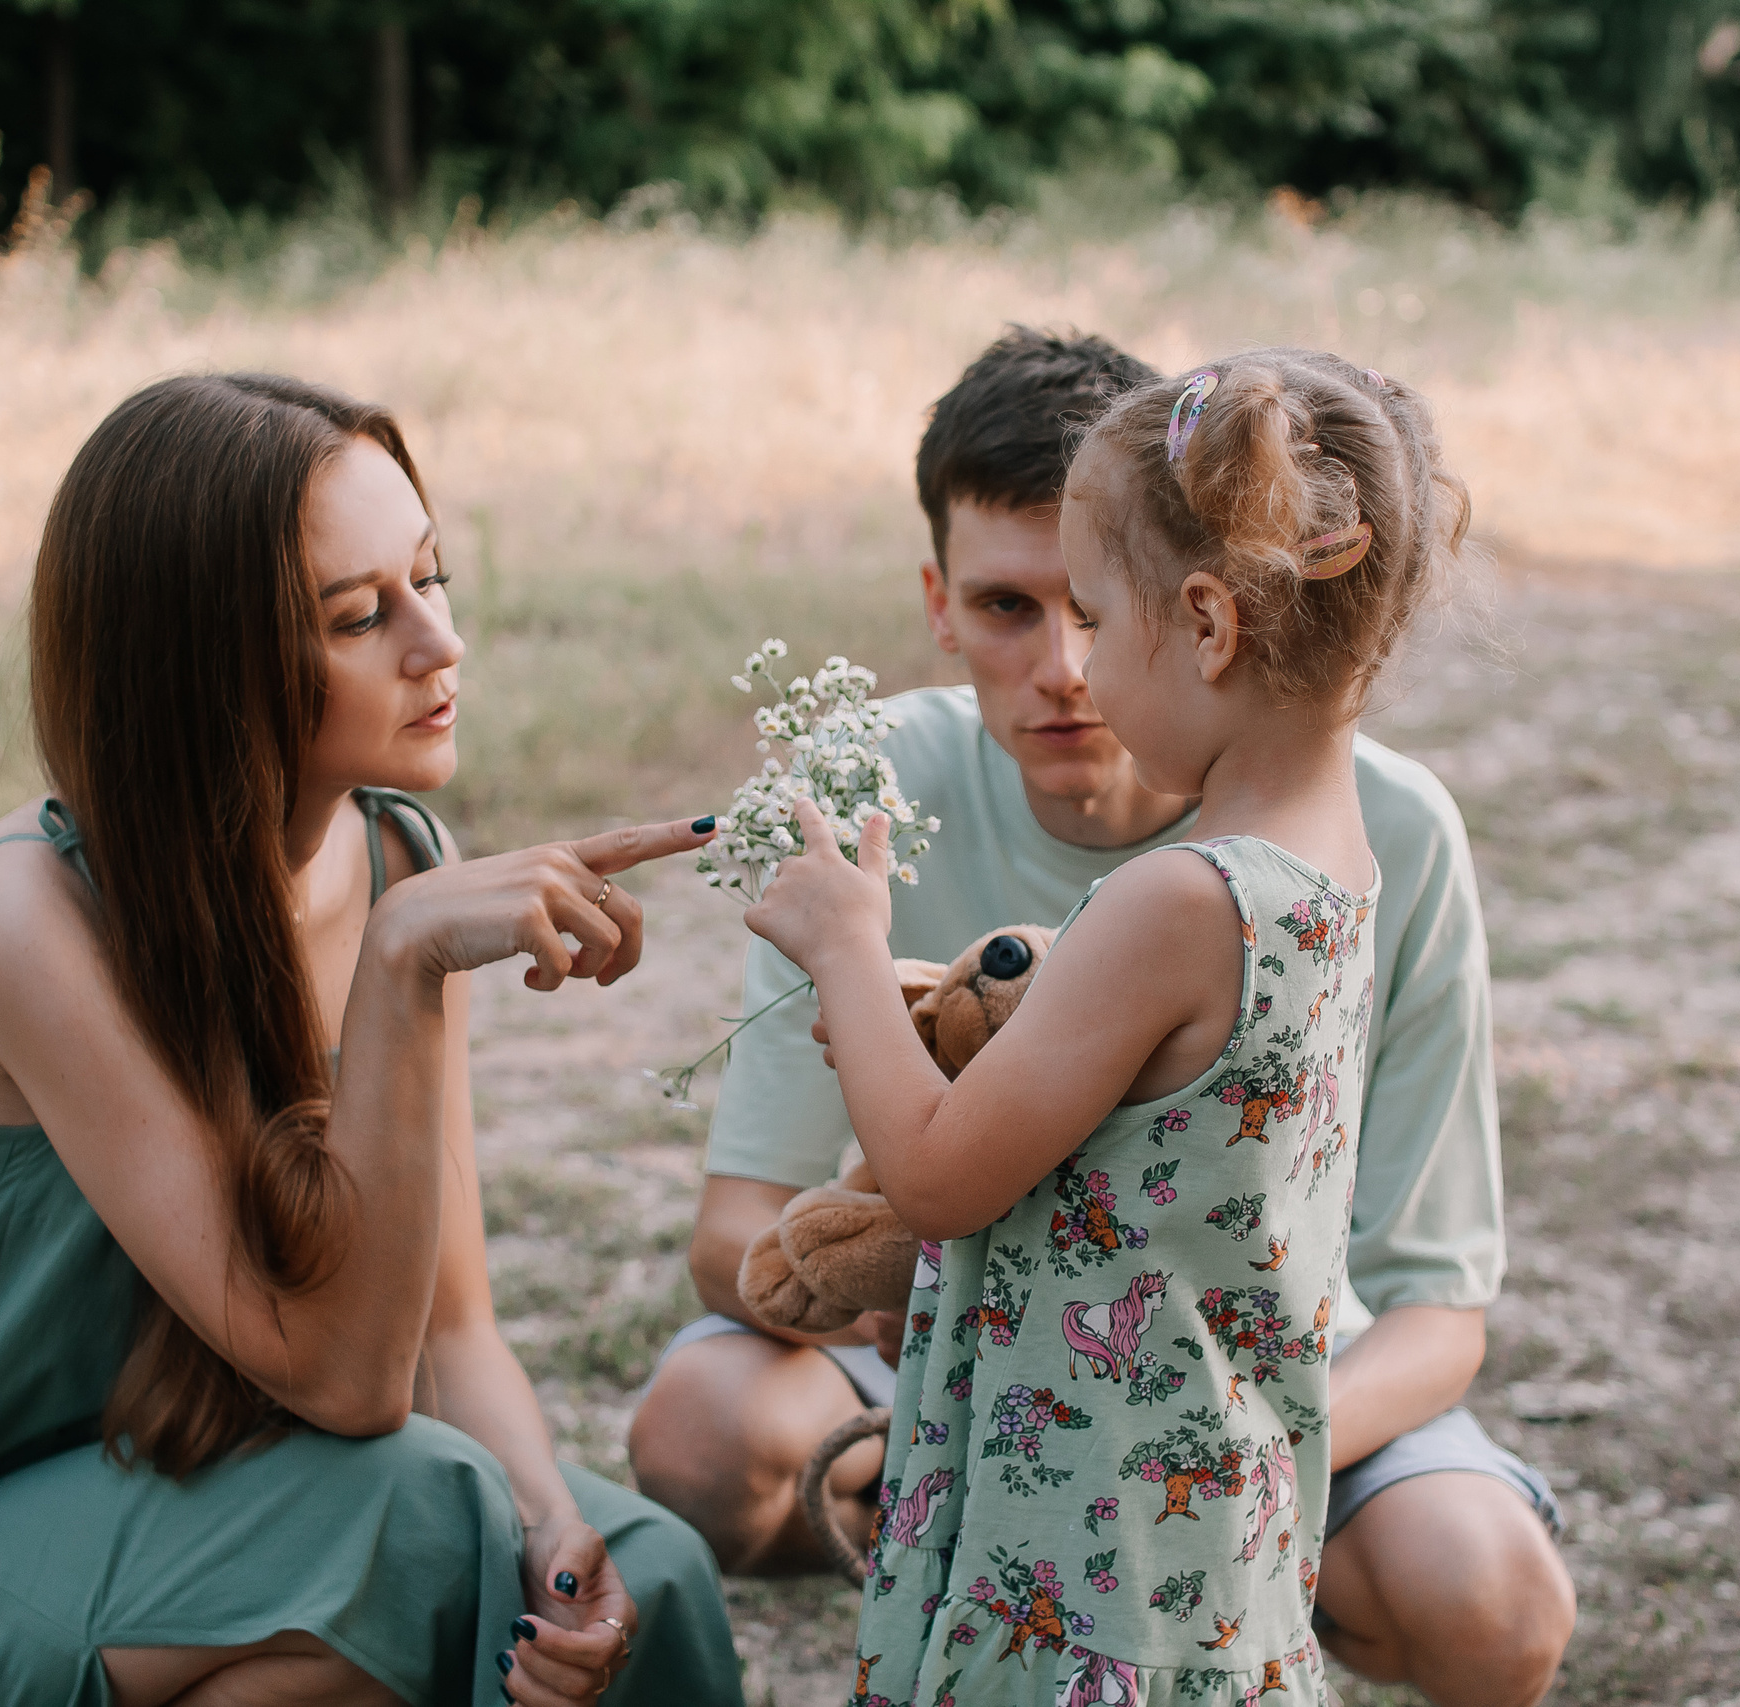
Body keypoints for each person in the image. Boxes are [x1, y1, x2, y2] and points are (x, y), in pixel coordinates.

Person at [0, 373, 744, 1707]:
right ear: (210, 660)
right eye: (359, 615)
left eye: (432, 580)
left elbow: (447, 1326)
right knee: (417, 1518)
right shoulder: (38, 917)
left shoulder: (392, 852)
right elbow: (348, 1382)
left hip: (185, 1499)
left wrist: (555, 1530)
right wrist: (397, 964)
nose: (438, 644)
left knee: (642, 1571)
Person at [628, 331, 1573, 1705]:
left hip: (1093, 1500)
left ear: (1202, 623)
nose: (1073, 668)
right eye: (1024, 610)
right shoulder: (1339, 875)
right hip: (1214, 1498)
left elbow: (945, 1179)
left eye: (1095, 609)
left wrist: (848, 953)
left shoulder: (1169, 903)